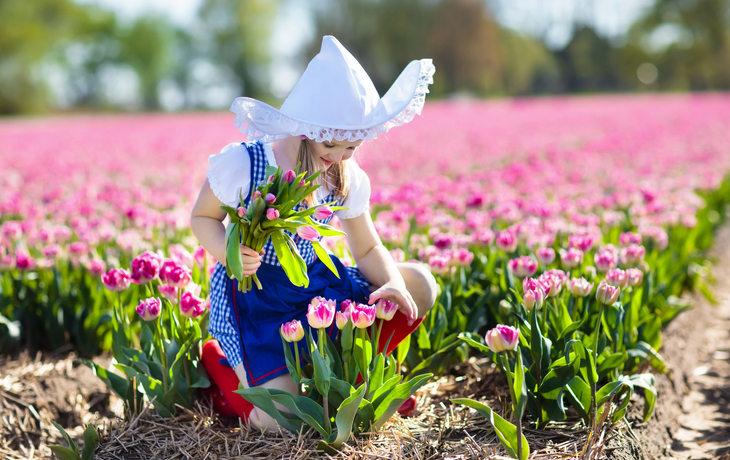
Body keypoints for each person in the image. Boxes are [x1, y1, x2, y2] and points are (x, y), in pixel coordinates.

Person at [190, 35, 438, 431]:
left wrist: (392, 283)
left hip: (313, 284)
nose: (339, 156)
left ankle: (359, 381)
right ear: (304, 127)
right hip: (255, 298)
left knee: (420, 284)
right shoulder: (248, 164)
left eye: (352, 147)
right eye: (331, 143)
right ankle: (223, 375)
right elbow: (202, 219)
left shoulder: (345, 176)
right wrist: (229, 253)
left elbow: (368, 245)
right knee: (289, 422)